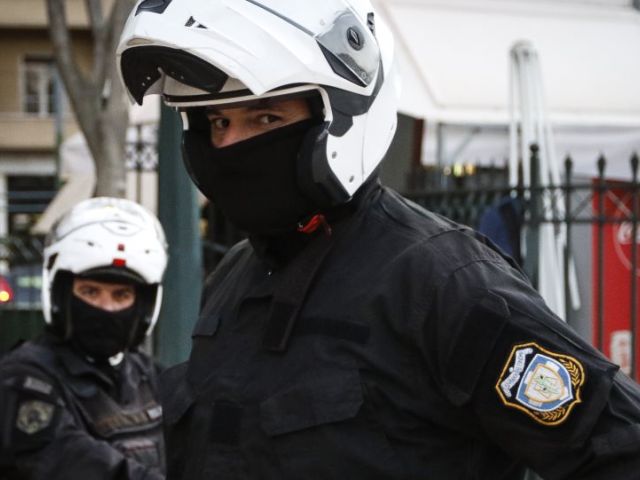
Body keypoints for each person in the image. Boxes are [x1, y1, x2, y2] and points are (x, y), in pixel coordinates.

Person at [117, 1, 640, 479]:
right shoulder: (235, 276)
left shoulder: (441, 281)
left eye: (266, 117)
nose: (229, 144)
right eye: (217, 121)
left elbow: (618, 446)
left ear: (339, 116)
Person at [0, 197, 168, 480]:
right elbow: (76, 463)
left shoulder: (146, 375)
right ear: (61, 294)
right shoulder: (24, 381)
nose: (106, 308)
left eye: (122, 295)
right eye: (90, 292)